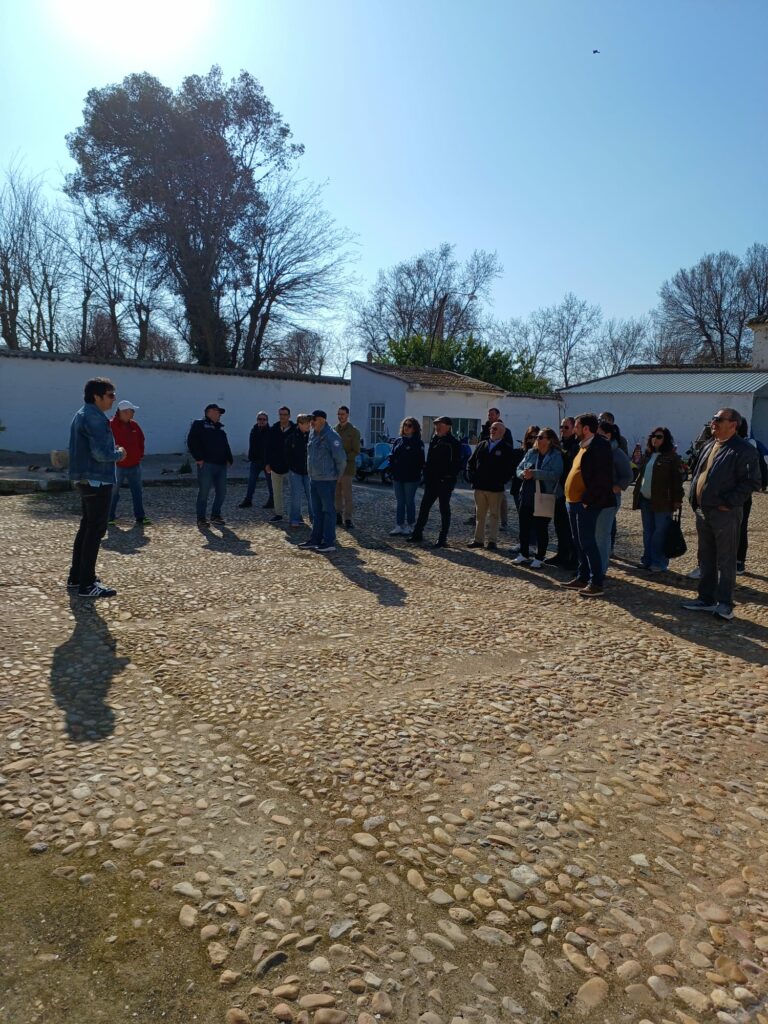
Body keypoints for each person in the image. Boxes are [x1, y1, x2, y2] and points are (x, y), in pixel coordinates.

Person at [682, 408, 760, 621]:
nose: (713, 423)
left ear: (733, 424)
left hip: (725, 513)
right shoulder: (710, 445)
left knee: (726, 560)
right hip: (703, 511)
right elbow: (699, 473)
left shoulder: (743, 449)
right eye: (713, 419)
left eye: (718, 420)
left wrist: (729, 502)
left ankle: (725, 603)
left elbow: (752, 482)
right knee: (705, 557)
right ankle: (705, 599)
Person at [67, 377, 125, 599]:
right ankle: (87, 583)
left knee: (86, 528)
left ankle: (77, 577)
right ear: (97, 396)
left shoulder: (83, 413)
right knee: (95, 530)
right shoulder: (95, 418)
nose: (113, 400)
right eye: (110, 395)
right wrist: (119, 453)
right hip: (96, 479)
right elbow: (101, 454)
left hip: (86, 478)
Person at [561, 413, 614, 597]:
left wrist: (587, 500)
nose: (574, 429)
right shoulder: (582, 446)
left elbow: (602, 479)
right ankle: (582, 577)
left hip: (587, 504)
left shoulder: (600, 446)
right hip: (572, 502)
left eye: (576, 426)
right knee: (579, 542)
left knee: (588, 542)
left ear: (585, 428)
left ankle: (596, 582)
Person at [631, 426, 684, 573]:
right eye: (653, 436)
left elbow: (677, 481)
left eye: (659, 436)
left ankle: (659, 562)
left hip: (663, 502)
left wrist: (677, 500)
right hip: (645, 499)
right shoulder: (648, 455)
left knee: (659, 532)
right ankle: (647, 560)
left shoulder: (672, 457)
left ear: (666, 439)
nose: (655, 438)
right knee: (647, 531)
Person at [408, 416, 463, 548]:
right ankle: (417, 534)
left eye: (440, 424)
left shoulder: (454, 443)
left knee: (444, 509)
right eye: (436, 425)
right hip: (431, 481)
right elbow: (430, 460)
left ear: (448, 427)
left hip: (445, 482)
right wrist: (426, 475)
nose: (437, 427)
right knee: (424, 507)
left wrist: (448, 477)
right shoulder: (434, 439)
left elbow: (457, 464)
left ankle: (442, 538)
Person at [512, 427, 563, 567]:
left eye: (541, 437)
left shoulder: (555, 455)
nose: (537, 440)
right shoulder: (531, 453)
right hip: (527, 495)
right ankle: (523, 554)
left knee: (541, 527)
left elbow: (555, 474)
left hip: (544, 495)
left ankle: (539, 557)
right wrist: (523, 474)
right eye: (537, 437)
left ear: (550, 440)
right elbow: (519, 468)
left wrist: (535, 473)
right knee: (524, 526)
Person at [298, 411, 347, 553]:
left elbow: (341, 459)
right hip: (314, 478)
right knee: (316, 512)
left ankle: (329, 541)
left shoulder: (332, 436)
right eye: (311, 420)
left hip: (327, 480)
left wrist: (338, 476)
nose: (312, 422)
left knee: (328, 511)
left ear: (323, 420)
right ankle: (315, 539)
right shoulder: (313, 434)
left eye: (315, 419)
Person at [466, 420, 515, 550]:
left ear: (502, 433)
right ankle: (478, 540)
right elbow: (471, 462)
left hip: (495, 488)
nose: (492, 431)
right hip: (479, 487)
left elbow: (510, 469)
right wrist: (471, 477)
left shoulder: (506, 448)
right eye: (492, 428)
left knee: (494, 515)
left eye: (495, 429)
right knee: (480, 515)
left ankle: (492, 541)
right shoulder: (482, 444)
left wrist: (501, 481)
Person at [595, 420, 633, 574]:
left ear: (608, 435)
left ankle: (601, 569)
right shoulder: (596, 450)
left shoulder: (617, 453)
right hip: (595, 498)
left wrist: (616, 488)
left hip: (609, 499)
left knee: (602, 535)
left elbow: (628, 475)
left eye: (598, 433)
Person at [187, 403, 233, 527]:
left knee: (222, 492)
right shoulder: (199, 424)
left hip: (221, 465)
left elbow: (225, 445)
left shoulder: (219, 429)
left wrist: (229, 458)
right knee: (204, 492)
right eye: (218, 412)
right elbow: (192, 441)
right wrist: (199, 458)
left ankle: (215, 515)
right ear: (209, 412)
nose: (219, 415)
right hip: (206, 464)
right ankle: (201, 518)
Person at [108, 400, 150, 526]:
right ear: (124, 412)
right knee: (113, 492)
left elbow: (141, 440)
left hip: (134, 465)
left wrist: (139, 455)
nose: (133, 413)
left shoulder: (134, 425)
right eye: (132, 411)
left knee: (137, 492)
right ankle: (109, 517)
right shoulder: (110, 425)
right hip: (116, 466)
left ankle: (140, 517)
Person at [736, 416, 768, 573]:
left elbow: (760, 468)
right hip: (728, 495)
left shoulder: (749, 446)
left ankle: (739, 561)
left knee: (740, 527)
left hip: (741, 495)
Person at [546, 416, 579, 568]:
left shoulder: (576, 445)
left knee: (570, 527)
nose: (563, 430)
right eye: (561, 427)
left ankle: (573, 558)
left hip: (571, 490)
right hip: (559, 489)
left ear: (573, 428)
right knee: (559, 524)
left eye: (566, 427)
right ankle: (561, 553)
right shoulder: (560, 444)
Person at [389, 417, 425, 535]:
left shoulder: (418, 442)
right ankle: (399, 525)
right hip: (397, 476)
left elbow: (420, 461)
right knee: (400, 502)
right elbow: (393, 455)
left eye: (409, 425)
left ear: (414, 428)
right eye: (405, 425)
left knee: (409, 501)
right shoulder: (398, 441)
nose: (406, 427)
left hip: (411, 477)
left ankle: (410, 525)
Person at [480, 408, 513, 530]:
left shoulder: (506, 431)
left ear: (498, 415)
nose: (489, 416)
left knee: (501, 499)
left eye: (492, 414)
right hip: (483, 471)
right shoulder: (484, 429)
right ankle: (478, 519)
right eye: (488, 414)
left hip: (497, 472)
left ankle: (504, 522)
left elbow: (509, 449)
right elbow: (480, 445)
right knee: (480, 497)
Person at [266, 406, 295, 522]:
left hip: (291, 466)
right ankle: (278, 513)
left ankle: (296, 513)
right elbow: (267, 447)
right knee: (276, 492)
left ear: (289, 416)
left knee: (294, 492)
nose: (282, 417)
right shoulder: (273, 429)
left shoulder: (295, 429)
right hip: (275, 465)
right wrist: (267, 463)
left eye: (285, 414)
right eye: (281, 414)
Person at [239, 411, 274, 509]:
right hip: (255, 461)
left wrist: (270, 462)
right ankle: (248, 500)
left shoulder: (270, 432)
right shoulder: (254, 430)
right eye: (260, 419)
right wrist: (251, 457)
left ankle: (272, 500)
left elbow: (272, 448)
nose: (262, 421)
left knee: (270, 483)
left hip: (267, 462)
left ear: (267, 421)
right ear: (257, 420)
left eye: (264, 419)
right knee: (251, 482)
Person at [334, 405, 361, 529]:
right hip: (335, 469)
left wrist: (343, 458)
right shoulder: (334, 430)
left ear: (347, 415)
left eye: (343, 414)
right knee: (336, 494)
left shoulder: (354, 431)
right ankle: (338, 515)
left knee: (347, 495)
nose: (340, 416)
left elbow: (356, 451)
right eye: (339, 414)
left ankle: (348, 518)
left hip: (347, 468)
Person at [286, 413, 312, 526]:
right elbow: (286, 453)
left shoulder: (311, 436)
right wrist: (292, 466)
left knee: (311, 495)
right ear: (300, 424)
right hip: (295, 471)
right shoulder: (292, 437)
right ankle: (295, 518)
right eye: (307, 423)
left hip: (309, 471)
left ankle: (314, 517)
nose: (309, 425)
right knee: (296, 496)